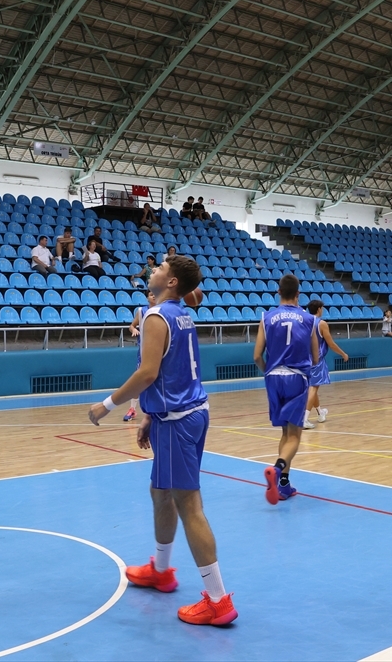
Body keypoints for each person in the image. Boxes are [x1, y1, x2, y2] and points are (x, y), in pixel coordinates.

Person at [87, 256, 237, 626]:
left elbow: (149, 372)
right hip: (184, 414)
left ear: (171, 282)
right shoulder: (180, 313)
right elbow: (172, 370)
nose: (153, 268)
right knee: (160, 492)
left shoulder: (156, 317)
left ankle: (218, 600)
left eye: (160, 267)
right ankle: (162, 569)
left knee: (189, 504)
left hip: (180, 422)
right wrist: (151, 416)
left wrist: (106, 405)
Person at [253, 273, 318, 503]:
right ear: (298, 295)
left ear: (278, 292)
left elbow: (257, 355)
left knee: (284, 433)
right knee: (294, 435)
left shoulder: (266, 317)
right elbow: (316, 357)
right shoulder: (309, 319)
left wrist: (268, 372)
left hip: (273, 376)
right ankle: (278, 468)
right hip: (296, 377)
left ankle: (283, 485)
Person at [304, 299, 348, 429]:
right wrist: (343, 353)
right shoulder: (321, 323)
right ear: (318, 309)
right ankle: (304, 419)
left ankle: (320, 412)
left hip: (303, 359)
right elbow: (331, 343)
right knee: (313, 388)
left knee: (312, 387)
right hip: (315, 359)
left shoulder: (304, 322)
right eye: (322, 308)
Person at [125, 291, 159, 422]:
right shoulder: (141, 311)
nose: (154, 296)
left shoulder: (163, 310)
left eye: (155, 294)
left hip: (160, 350)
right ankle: (132, 409)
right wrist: (134, 329)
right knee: (140, 381)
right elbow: (132, 325)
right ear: (147, 297)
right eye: (151, 294)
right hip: (144, 351)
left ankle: (158, 409)